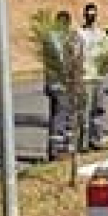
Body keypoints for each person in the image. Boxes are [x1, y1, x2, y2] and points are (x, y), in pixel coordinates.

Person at [75, 2, 106, 151]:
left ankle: (96, 139)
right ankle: (83, 142)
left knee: (97, 110)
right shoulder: (79, 33)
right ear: (84, 15)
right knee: (84, 111)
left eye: (93, 14)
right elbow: (75, 55)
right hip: (85, 77)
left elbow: (105, 51)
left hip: (97, 77)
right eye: (88, 14)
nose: (91, 16)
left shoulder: (101, 33)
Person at [42, 10, 71, 161]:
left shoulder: (49, 38)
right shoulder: (62, 40)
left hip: (51, 84)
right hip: (61, 85)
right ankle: (57, 151)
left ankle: (54, 149)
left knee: (55, 117)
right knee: (61, 117)